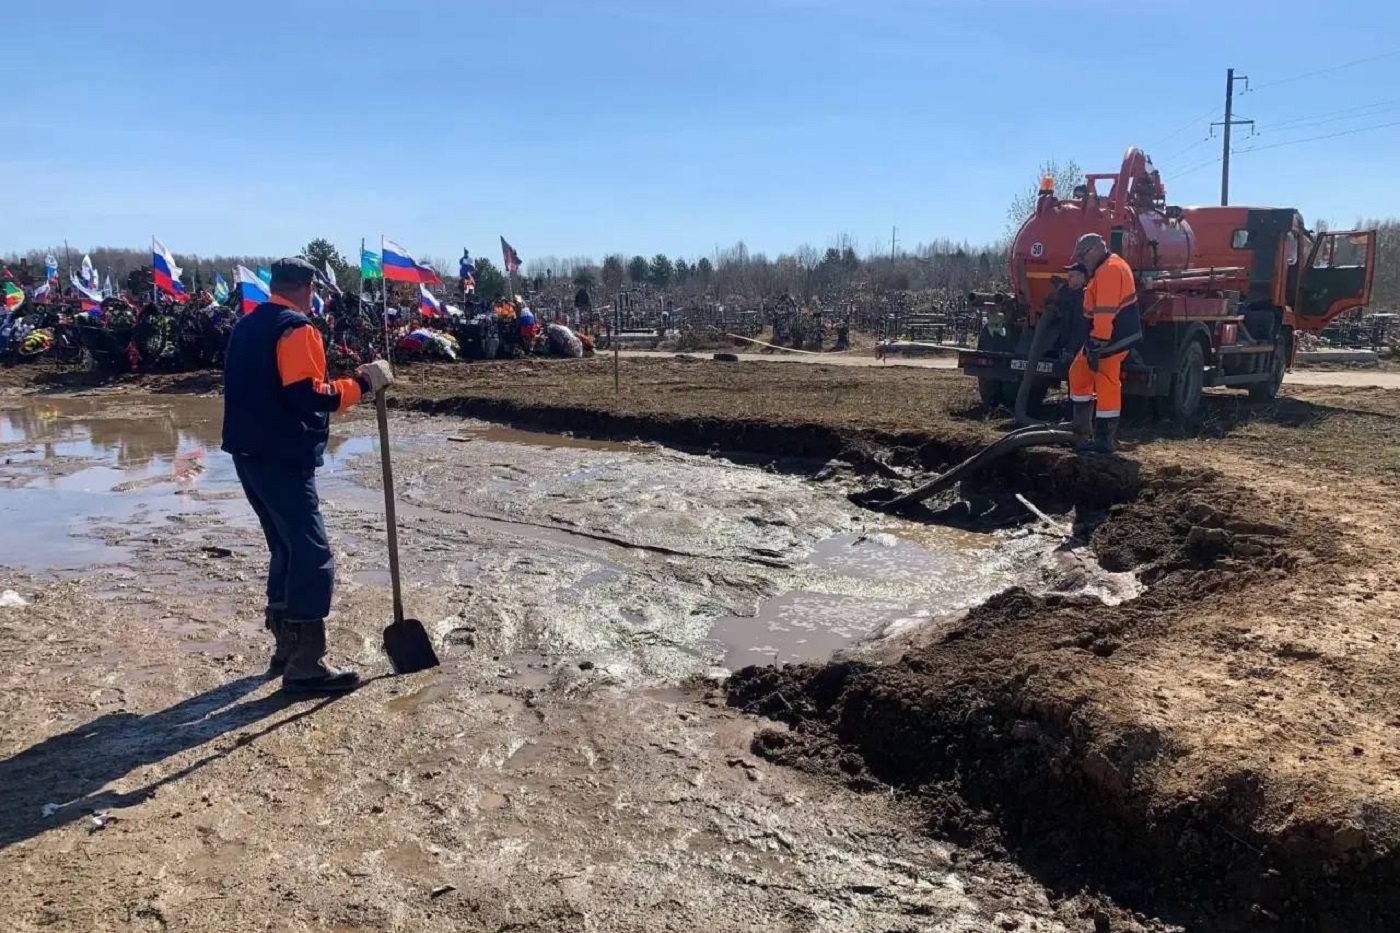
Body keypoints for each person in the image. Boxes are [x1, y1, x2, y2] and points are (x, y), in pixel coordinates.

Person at [221, 257, 394, 693]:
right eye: (315, 289)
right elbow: (308, 396)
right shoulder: (296, 329)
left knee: (284, 548)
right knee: (313, 557)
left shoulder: (247, 325)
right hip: (281, 456)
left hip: (248, 454)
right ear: (307, 287)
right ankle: (305, 665)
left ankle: (284, 648)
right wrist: (361, 384)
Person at [1065, 234, 1142, 454]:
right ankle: (1081, 429)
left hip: (1112, 338)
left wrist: (1097, 343)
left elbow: (1105, 311)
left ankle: (1104, 440)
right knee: (1079, 372)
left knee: (1106, 381)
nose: (1082, 261)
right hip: (1103, 337)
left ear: (1095, 250)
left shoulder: (1110, 269)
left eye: (1083, 255)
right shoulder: (1103, 268)